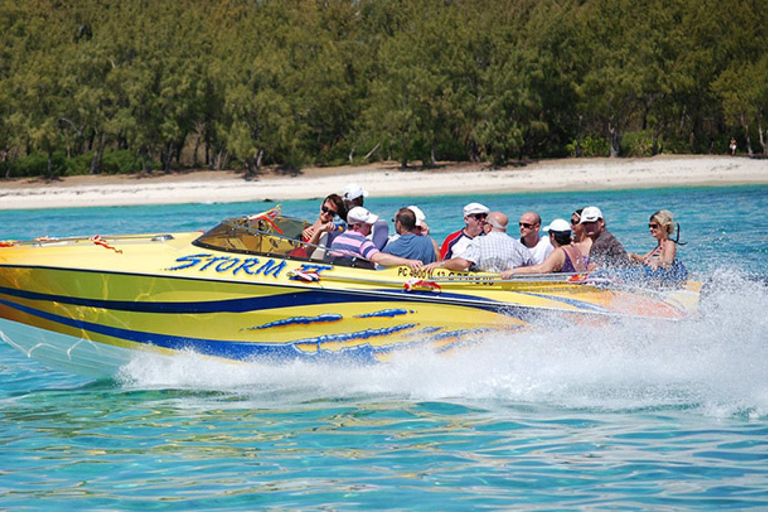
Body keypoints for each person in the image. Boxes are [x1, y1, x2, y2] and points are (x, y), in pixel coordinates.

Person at [426, 212, 532, 273]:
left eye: (485, 223)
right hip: (510, 289)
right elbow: (532, 268)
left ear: (489, 227)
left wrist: (441, 264)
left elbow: (463, 263)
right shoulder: (518, 245)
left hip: (484, 289)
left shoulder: (479, 241)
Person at [329, 206, 423, 271]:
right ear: (356, 226)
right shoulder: (363, 243)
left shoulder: (336, 240)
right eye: (368, 224)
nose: (371, 226)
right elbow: (378, 258)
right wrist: (407, 262)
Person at [501, 219, 587, 278]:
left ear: (552, 236)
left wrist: (513, 271)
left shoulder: (559, 252)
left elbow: (542, 269)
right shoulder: (574, 248)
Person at [628, 210, 687, 283]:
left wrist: (657, 262)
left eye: (654, 226)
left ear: (664, 227)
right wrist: (633, 256)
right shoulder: (657, 248)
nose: (651, 229)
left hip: (659, 279)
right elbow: (644, 258)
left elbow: (667, 263)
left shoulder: (669, 243)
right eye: (649, 226)